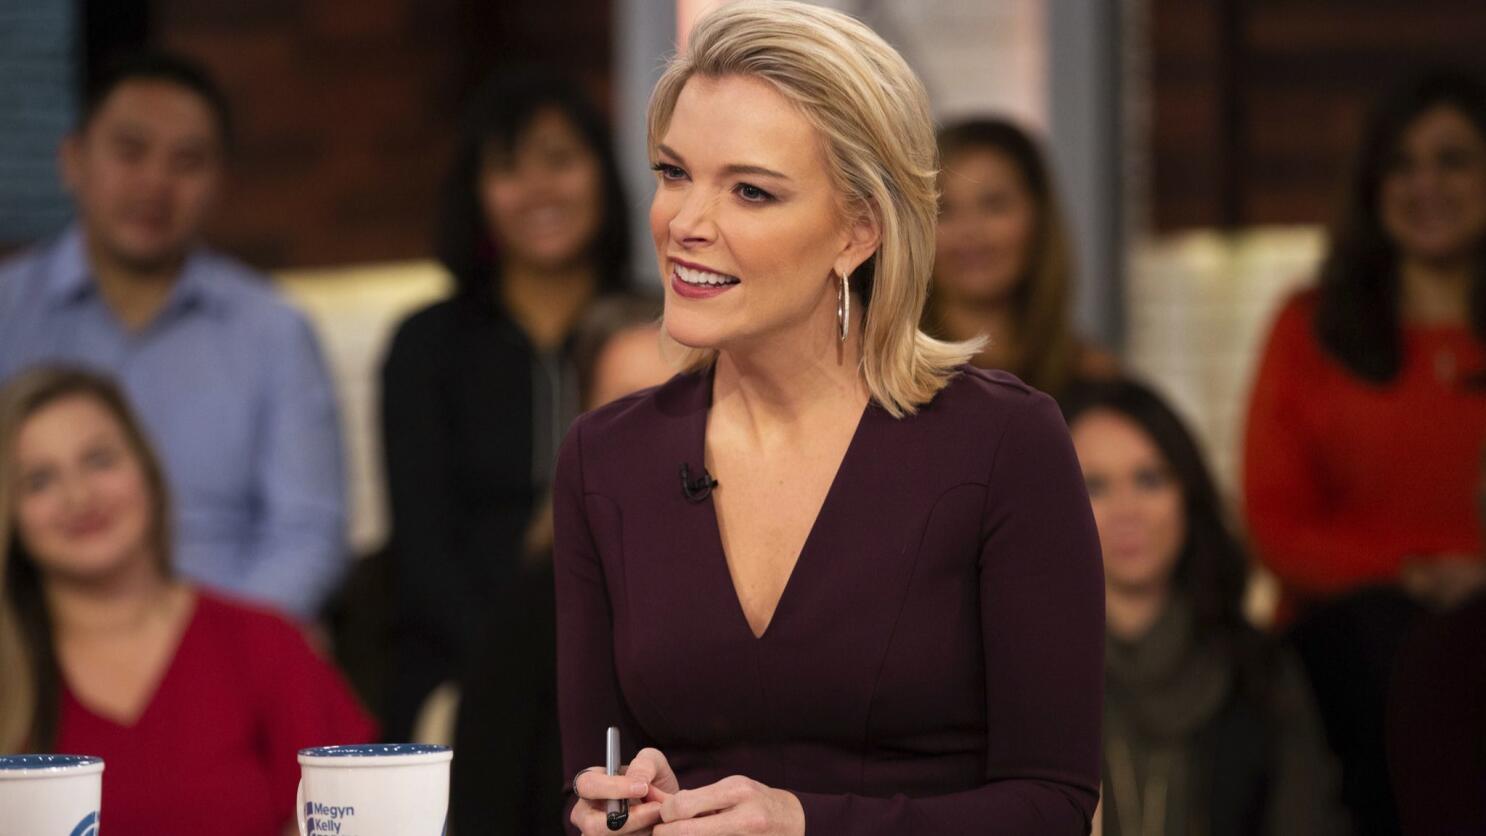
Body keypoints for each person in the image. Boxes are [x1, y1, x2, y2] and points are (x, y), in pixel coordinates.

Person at [559, 4, 1104, 834]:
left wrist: (803, 823)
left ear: (858, 231)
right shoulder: (605, 458)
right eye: (674, 173)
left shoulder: (1003, 444)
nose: (686, 224)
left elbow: (1054, 805)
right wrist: (620, 810)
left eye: (750, 191)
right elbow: (589, 785)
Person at [0, 50, 346, 621]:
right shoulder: (10, 312)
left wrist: (222, 647)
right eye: (130, 152)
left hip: (229, 638)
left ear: (220, 182)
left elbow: (307, 533)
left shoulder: (273, 329)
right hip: (34, 640)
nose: (155, 183)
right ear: (73, 160)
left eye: (187, 162)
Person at [1242, 69, 1486, 835]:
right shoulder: (1308, 327)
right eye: (1401, 164)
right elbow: (1275, 525)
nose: (1426, 185)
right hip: (1348, 658)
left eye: (1452, 160)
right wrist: (1416, 573)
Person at [0, 366, 374, 836]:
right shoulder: (9, 674)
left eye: (98, 460)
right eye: (39, 480)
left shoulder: (264, 644)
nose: (79, 497)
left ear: (147, 469)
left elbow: (361, 815)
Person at [380, 69, 633, 740]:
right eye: (509, 168)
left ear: (602, 175)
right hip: (466, 658)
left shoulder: (658, 328)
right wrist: (511, 664)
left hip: (638, 651)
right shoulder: (427, 345)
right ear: (476, 194)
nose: (539, 188)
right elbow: (424, 553)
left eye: (560, 159)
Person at [1064, 379, 1342, 836]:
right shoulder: (1019, 680)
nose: (1126, 510)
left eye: (1149, 479)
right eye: (1094, 486)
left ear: (1187, 495)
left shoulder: (1260, 674)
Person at [451, 293, 668, 836]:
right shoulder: (531, 608)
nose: (658, 437)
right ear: (582, 432)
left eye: (678, 402)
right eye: (627, 407)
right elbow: (485, 810)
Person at [925, 117, 1116, 401]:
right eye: (944, 209)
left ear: (1039, 216)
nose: (969, 231)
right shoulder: (878, 381)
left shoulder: (1095, 382)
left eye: (994, 204)